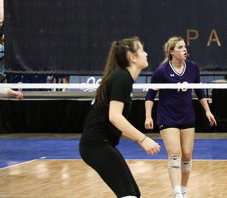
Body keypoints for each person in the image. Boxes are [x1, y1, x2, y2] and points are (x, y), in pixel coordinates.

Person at [79, 37, 161, 198]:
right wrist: (143, 139)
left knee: (134, 195)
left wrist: (136, 139)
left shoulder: (122, 78)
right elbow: (115, 118)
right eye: (142, 50)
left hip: (97, 144)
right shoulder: (123, 78)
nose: (146, 53)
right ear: (133, 57)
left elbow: (109, 122)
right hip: (96, 145)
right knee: (128, 195)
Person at [145, 37, 216, 198]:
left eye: (185, 47)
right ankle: (177, 193)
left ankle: (183, 191)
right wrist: (148, 116)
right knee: (175, 153)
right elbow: (150, 94)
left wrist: (207, 111)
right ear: (171, 52)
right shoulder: (161, 71)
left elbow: (199, 90)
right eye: (180, 47)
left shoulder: (192, 68)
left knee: (186, 155)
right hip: (167, 117)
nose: (185, 50)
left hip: (187, 117)